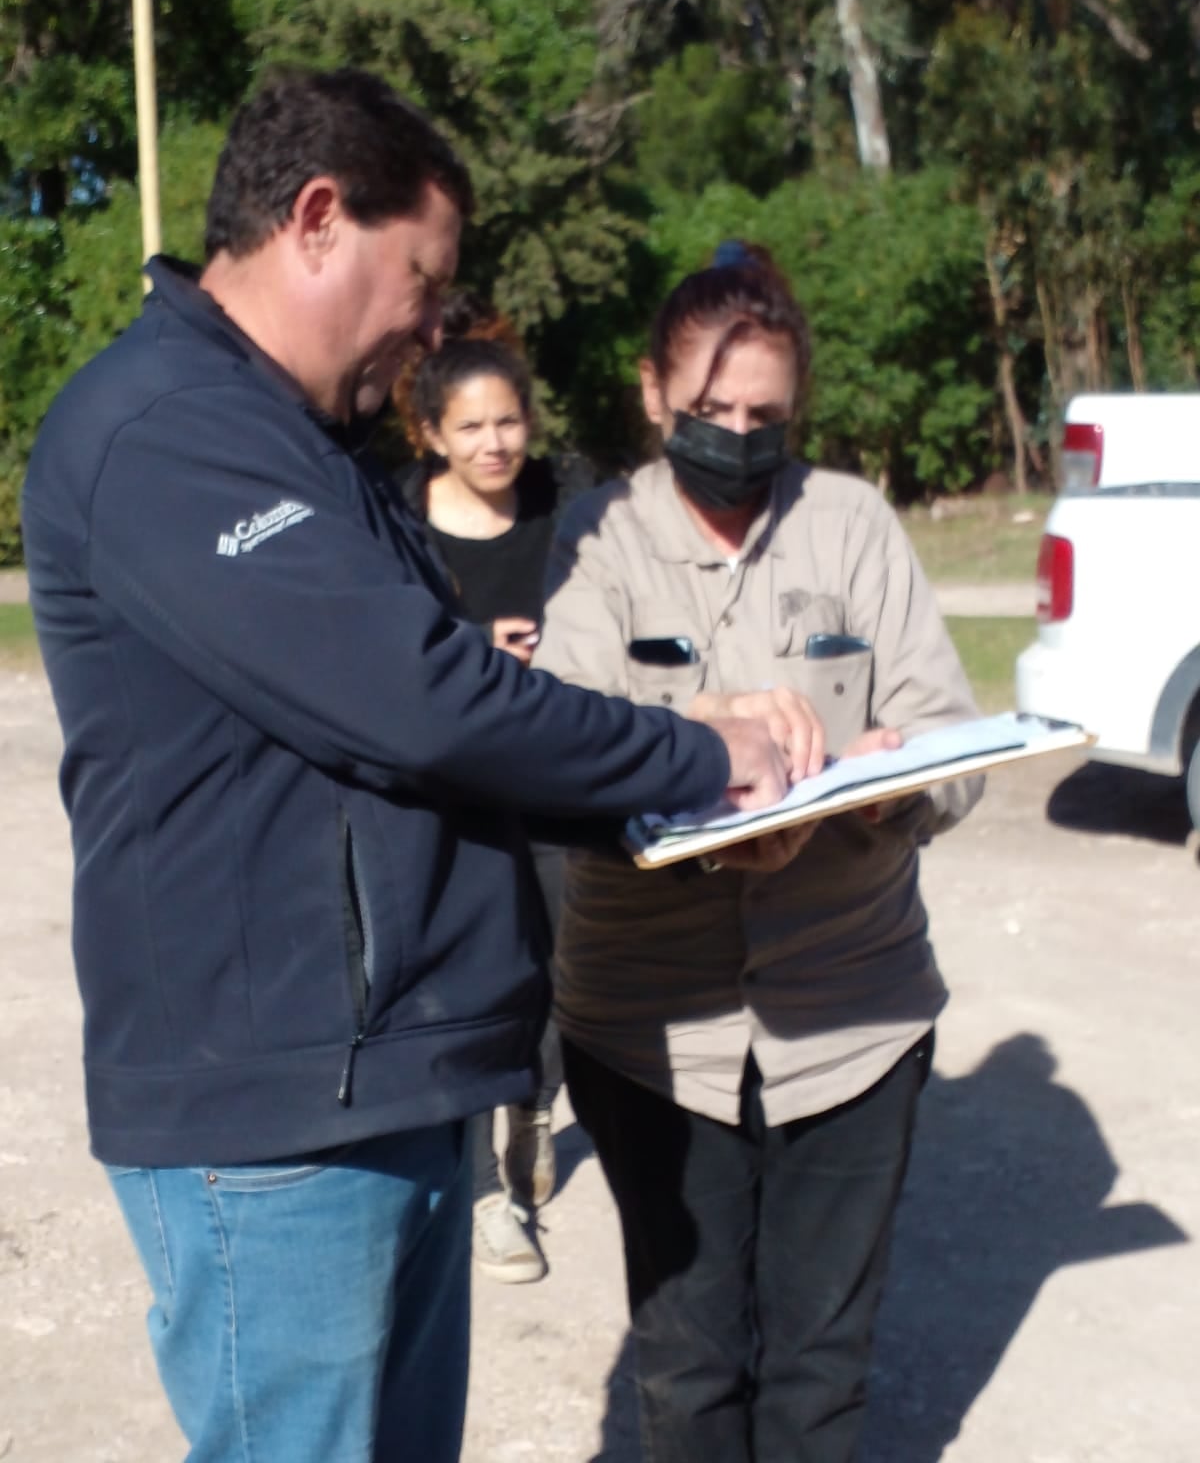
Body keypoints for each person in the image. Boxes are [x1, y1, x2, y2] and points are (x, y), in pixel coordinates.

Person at [19, 73, 801, 1463]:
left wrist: (661, 810)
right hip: (275, 1121)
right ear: (319, 219)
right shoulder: (164, 433)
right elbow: (427, 708)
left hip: (382, 1081)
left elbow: (453, 737)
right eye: (424, 280)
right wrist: (700, 757)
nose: (438, 327)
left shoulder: (309, 450)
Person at [534, 240, 986, 1463]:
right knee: (687, 1374)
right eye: (710, 412)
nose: (737, 437)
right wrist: (696, 746)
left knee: (820, 1376)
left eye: (766, 416)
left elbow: (956, 744)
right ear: (650, 395)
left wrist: (889, 787)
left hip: (854, 1018)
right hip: (650, 1033)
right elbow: (555, 742)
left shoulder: (851, 526)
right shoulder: (598, 537)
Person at [397, 323, 590, 1284]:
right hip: (453, 795)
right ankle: (489, 1198)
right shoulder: (396, 517)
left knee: (557, 969)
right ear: (433, 433)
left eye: (508, 421)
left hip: (552, 783)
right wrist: (475, 646)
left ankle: (536, 1106)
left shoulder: (569, 507)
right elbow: (383, 646)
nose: (493, 444)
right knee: (471, 981)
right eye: (470, 426)